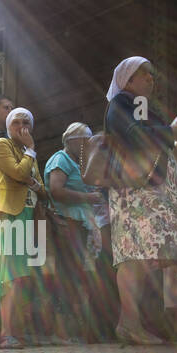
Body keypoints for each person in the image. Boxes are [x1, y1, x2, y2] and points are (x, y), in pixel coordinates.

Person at [103, 56, 177, 345]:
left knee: (138, 257)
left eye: (152, 75)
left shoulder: (138, 105)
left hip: (144, 192)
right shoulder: (121, 104)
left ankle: (130, 323)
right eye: (145, 75)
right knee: (132, 257)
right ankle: (130, 325)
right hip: (132, 190)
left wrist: (172, 147)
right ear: (128, 80)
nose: (152, 79)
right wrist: (171, 134)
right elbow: (134, 136)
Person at [0, 107, 54, 349]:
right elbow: (18, 173)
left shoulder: (29, 153)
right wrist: (29, 155)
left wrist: (31, 179)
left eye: (26, 122)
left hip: (29, 216)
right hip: (11, 216)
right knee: (10, 276)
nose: (21, 126)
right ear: (8, 127)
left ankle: (14, 330)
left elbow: (41, 189)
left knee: (21, 277)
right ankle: (6, 333)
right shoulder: (2, 145)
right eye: (16, 122)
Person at [45, 122, 106, 341]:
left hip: (82, 225)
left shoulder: (81, 162)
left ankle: (77, 329)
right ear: (71, 140)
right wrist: (87, 198)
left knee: (79, 276)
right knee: (66, 275)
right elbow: (56, 189)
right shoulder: (61, 158)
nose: (88, 143)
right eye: (84, 138)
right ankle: (60, 331)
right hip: (67, 222)